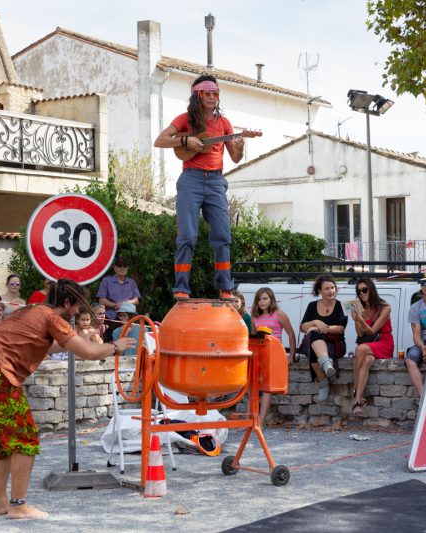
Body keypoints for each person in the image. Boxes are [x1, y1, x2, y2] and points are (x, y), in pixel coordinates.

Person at [0, 279, 135, 519]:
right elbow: (90, 353)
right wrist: (115, 346)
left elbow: (48, 346)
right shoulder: (53, 318)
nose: (76, 313)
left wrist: (81, 340)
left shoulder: (29, 310)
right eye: (75, 308)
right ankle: (18, 506)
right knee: (26, 440)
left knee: (1, 443)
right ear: (66, 302)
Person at [153, 74, 259, 301]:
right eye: (207, 93)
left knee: (223, 235)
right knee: (187, 236)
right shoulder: (184, 119)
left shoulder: (224, 123)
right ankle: (181, 288)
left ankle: (225, 288)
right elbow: (160, 140)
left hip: (216, 181)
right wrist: (185, 141)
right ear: (197, 95)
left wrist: (240, 145)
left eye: (215, 94)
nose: (212, 97)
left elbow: (236, 157)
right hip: (190, 179)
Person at [299, 274, 348, 403]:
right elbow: (302, 327)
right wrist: (315, 322)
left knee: (314, 337)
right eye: (327, 288)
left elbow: (340, 328)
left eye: (333, 287)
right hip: (317, 343)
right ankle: (326, 365)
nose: (331, 291)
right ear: (319, 290)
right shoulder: (312, 305)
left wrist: (319, 327)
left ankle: (323, 382)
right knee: (313, 340)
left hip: (335, 343)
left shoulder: (341, 305)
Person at [251, 287, 296, 425]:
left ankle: (260, 421)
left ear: (271, 299)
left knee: (266, 389)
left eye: (265, 298)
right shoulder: (255, 317)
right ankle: (252, 419)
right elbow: (254, 338)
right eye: (259, 299)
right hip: (260, 355)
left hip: (275, 354)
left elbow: (291, 333)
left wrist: (291, 355)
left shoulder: (279, 314)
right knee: (252, 387)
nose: (262, 301)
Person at [351, 277, 394, 415]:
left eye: (364, 290)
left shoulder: (385, 307)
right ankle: (358, 400)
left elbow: (372, 331)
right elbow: (361, 333)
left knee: (360, 349)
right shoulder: (359, 306)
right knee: (367, 360)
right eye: (359, 292)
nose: (362, 293)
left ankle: (355, 389)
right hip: (369, 343)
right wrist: (356, 320)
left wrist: (360, 319)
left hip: (384, 341)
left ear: (371, 289)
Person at [97, 256, 141, 334]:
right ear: (114, 267)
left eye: (125, 266)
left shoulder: (131, 282)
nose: (122, 268)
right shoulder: (106, 281)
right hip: (112, 318)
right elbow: (101, 300)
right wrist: (114, 305)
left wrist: (125, 304)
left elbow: (136, 300)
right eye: (119, 265)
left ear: (127, 268)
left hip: (129, 319)